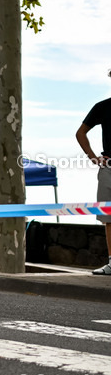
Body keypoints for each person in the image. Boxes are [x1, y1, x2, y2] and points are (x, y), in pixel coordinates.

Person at [76, 69, 111, 274]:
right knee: (108, 218)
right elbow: (80, 133)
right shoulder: (103, 107)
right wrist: (93, 157)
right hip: (108, 169)